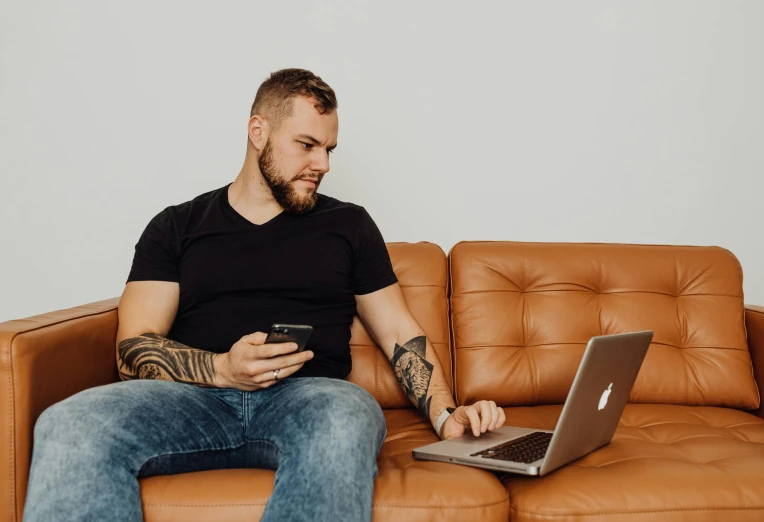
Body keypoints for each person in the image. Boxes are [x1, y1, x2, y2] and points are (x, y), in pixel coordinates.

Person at [23, 68, 506, 522]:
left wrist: (445, 417)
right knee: (69, 424)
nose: (323, 164)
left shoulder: (349, 225)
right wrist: (221, 369)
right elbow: (132, 349)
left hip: (310, 398)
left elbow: (401, 334)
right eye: (307, 145)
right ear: (259, 132)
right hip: (193, 399)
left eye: (330, 149)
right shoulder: (177, 225)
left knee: (346, 417)